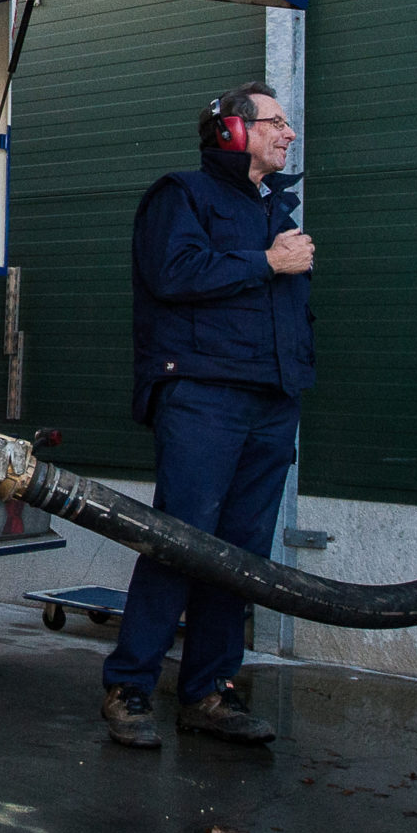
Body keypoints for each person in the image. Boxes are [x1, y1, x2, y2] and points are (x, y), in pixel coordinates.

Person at [100, 82, 315, 750]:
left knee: (242, 553)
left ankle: (208, 692)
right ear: (232, 130)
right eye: (276, 122)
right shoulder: (182, 195)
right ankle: (130, 685)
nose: (289, 133)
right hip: (203, 396)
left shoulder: (277, 209)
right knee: (181, 540)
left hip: (271, 399)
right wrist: (267, 262)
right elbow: (173, 271)